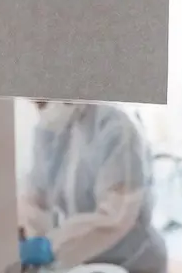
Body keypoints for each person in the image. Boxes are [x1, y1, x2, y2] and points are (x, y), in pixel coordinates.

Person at [18, 101, 167, 273]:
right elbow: (36, 197)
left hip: (134, 262)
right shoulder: (51, 128)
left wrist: (51, 247)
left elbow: (116, 216)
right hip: (83, 262)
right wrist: (33, 237)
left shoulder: (116, 124)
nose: (36, 104)